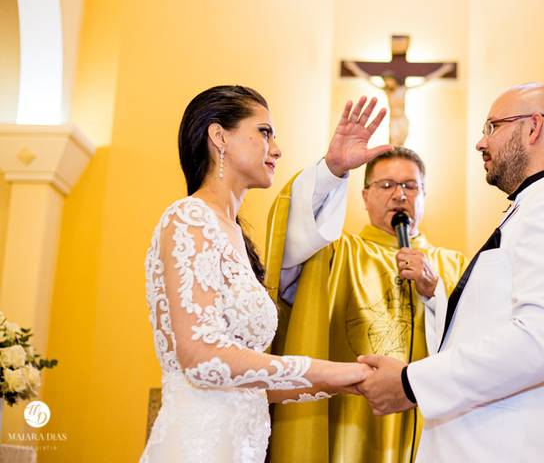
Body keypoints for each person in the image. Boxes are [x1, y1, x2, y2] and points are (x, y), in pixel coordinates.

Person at [357, 82, 544, 462]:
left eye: (492, 127)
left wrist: (410, 383)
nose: (481, 143)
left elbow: (541, 340)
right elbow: (487, 327)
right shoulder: (535, 208)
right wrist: (434, 297)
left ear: (533, 127)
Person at [140, 86, 391, 462]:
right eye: (264, 132)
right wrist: (331, 371)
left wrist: (350, 380)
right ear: (219, 136)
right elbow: (201, 358)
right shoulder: (189, 218)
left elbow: (250, 386)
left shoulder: (237, 237)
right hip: (197, 448)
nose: (276, 149)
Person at [266, 147, 466, 462]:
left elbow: (474, 352)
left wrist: (434, 291)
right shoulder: (338, 253)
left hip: (429, 427)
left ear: (424, 195)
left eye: (410, 186)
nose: (400, 195)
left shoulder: (455, 266)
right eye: (386, 185)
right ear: (365, 195)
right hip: (352, 421)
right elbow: (296, 234)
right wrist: (332, 169)